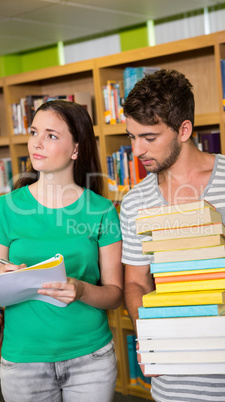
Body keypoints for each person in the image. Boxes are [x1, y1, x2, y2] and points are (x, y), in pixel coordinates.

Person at [120, 69, 225, 401]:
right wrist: (147, 331)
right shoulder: (133, 202)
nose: (137, 150)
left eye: (150, 137)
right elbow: (136, 282)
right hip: (174, 386)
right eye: (131, 136)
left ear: (184, 129)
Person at [0, 100, 123, 402]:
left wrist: (81, 290)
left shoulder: (102, 211)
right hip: (23, 361)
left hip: (90, 359)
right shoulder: (6, 208)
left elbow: (115, 293)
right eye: (33, 132)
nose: (37, 143)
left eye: (51, 135)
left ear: (76, 149)